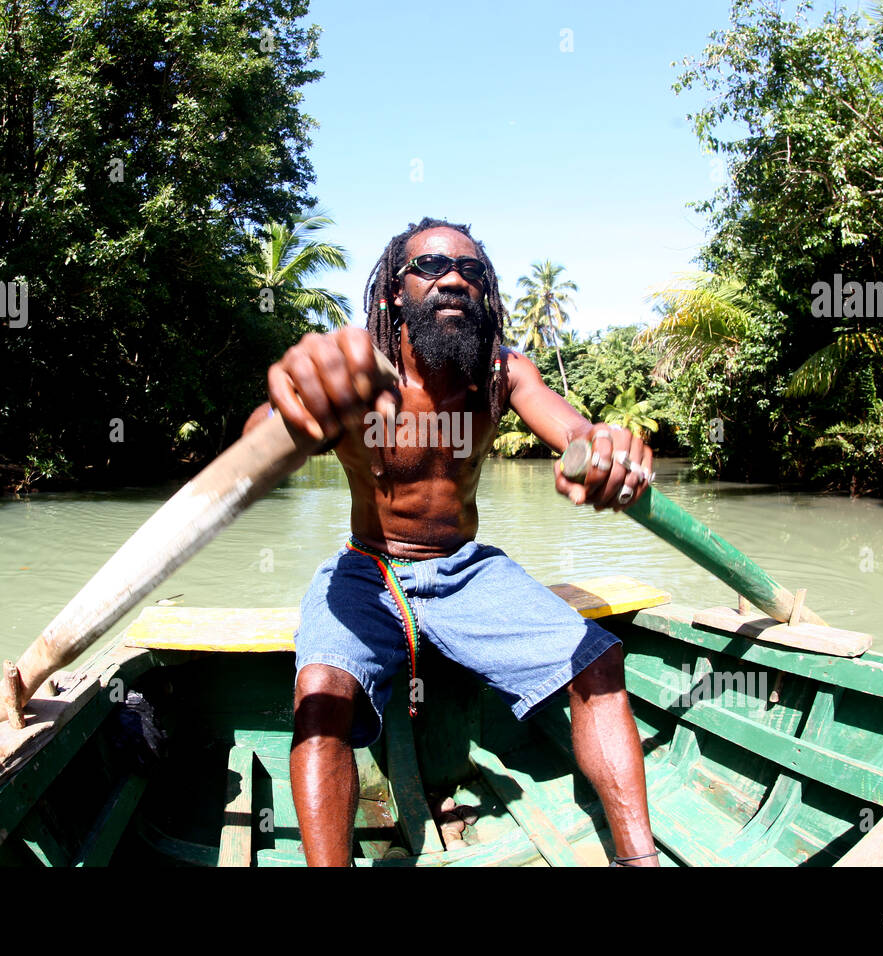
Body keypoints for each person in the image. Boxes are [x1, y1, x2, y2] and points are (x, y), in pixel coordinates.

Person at [244, 216, 658, 867]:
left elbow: (577, 431)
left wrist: (605, 446)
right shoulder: (356, 380)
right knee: (320, 692)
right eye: (431, 266)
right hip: (367, 570)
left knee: (598, 660)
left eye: (470, 271)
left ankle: (640, 860)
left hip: (467, 572)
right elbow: (264, 440)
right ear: (393, 293)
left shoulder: (502, 375)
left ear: (486, 293)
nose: (454, 279)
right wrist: (292, 402)